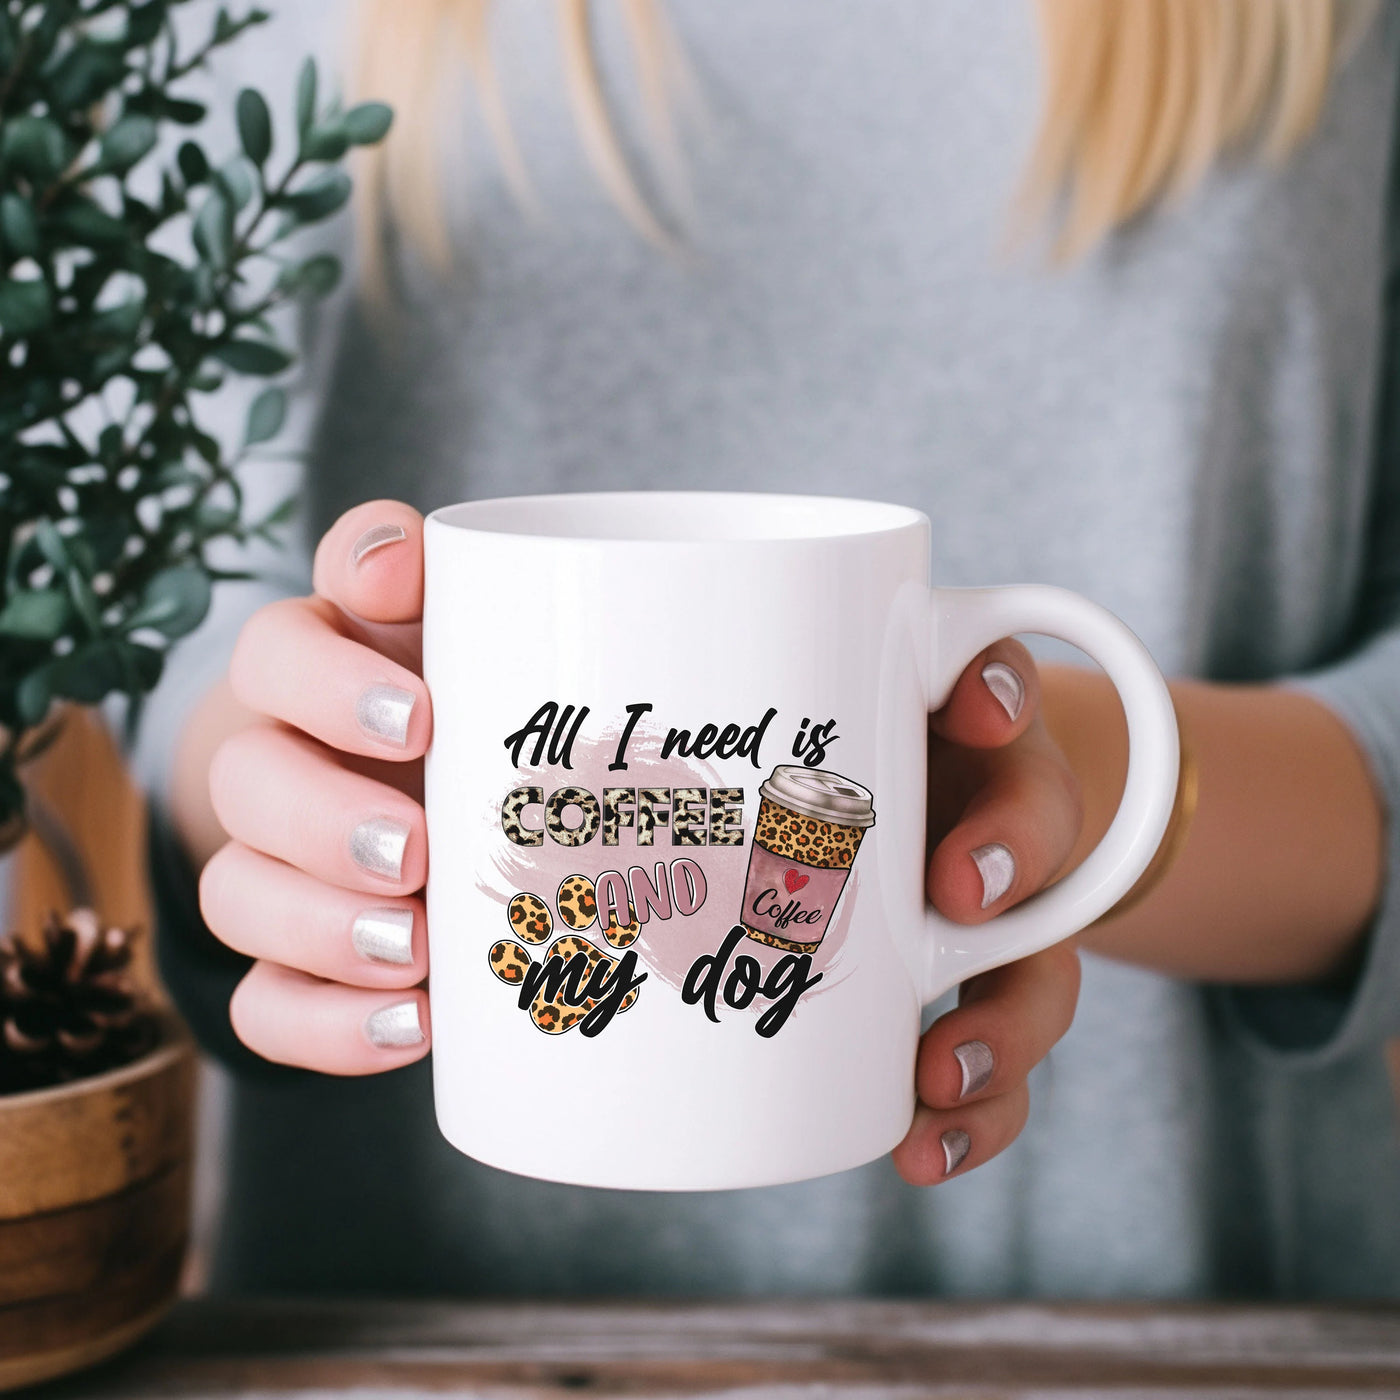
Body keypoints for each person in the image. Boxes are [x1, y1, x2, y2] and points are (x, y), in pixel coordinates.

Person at [143, 0, 1400, 1297]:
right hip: (396, 1320)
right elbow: (163, 595)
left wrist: (1042, 780)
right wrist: (273, 783)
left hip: (1185, 1326)